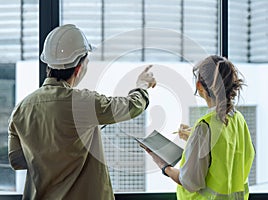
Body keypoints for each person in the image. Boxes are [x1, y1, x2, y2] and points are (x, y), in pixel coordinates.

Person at [8, 24, 156, 200]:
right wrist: (142, 85)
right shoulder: (83, 103)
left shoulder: (21, 109)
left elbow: (16, 160)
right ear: (79, 68)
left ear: (48, 65)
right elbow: (131, 106)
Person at [148, 55, 255, 199]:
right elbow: (225, 157)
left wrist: (164, 166)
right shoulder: (239, 120)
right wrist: (194, 139)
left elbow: (190, 182)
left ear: (199, 86)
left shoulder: (204, 127)